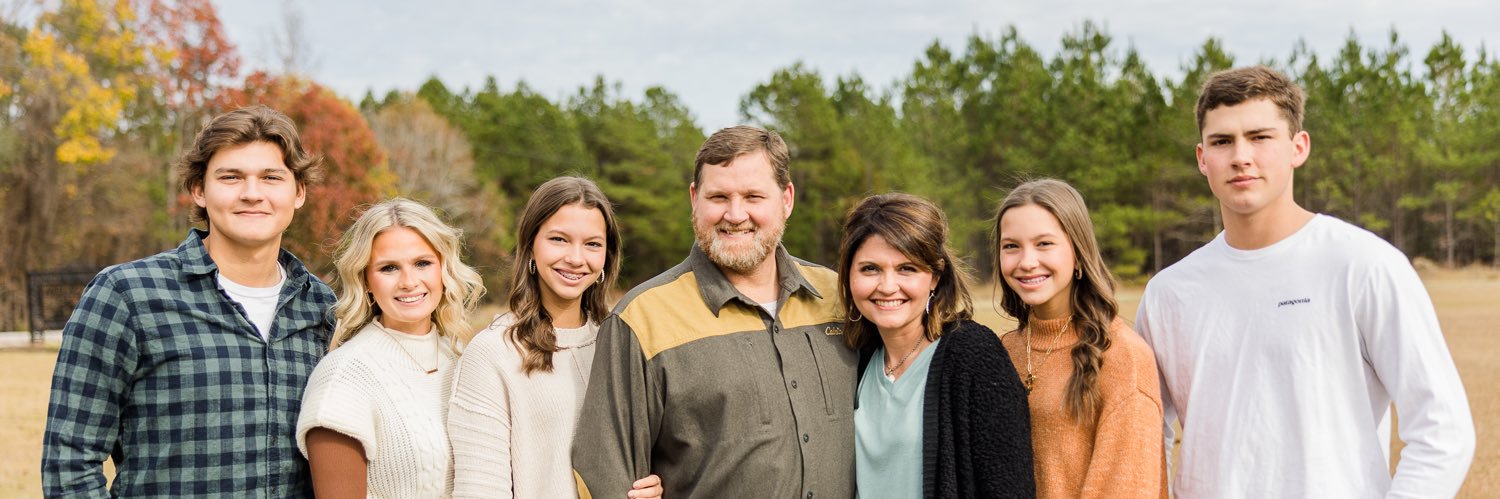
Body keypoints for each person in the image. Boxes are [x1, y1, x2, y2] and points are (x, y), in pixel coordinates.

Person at [1134, 66, 1475, 497]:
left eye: (1260, 137)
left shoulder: (1363, 266)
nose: (1241, 156)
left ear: (1299, 147)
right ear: (1203, 158)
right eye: (1222, 141)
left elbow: (1443, 431)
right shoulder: (1168, 294)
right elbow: (1143, 436)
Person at [42, 105, 335, 497]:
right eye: (231, 177)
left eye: (271, 177)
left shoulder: (323, 309)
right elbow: (70, 463)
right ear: (199, 190)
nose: (252, 194)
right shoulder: (127, 295)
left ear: (298, 193)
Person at [572, 126, 856, 498]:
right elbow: (605, 473)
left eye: (753, 196)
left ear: (787, 199)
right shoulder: (641, 320)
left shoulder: (841, 298)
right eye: (719, 197)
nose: (735, 215)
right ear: (695, 199)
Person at [448, 176, 661, 498]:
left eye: (592, 244)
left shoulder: (623, 342)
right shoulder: (493, 352)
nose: (576, 258)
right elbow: (479, 490)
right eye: (559, 239)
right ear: (530, 246)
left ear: (607, 256)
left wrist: (655, 485)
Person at [839, 193, 1034, 498]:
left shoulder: (974, 355)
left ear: (935, 277)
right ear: (849, 274)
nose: (887, 286)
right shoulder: (854, 358)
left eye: (907, 268)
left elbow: (1008, 486)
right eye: (870, 269)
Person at [295, 198, 485, 498]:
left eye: (422, 263)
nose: (409, 282)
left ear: (443, 269)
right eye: (389, 268)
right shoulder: (344, 377)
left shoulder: (461, 357)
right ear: (366, 281)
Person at [993, 179, 1166, 498]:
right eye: (1011, 246)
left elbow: (1127, 488)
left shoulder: (1123, 357)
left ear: (1078, 251)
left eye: (1044, 244)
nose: (1027, 262)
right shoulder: (1003, 350)